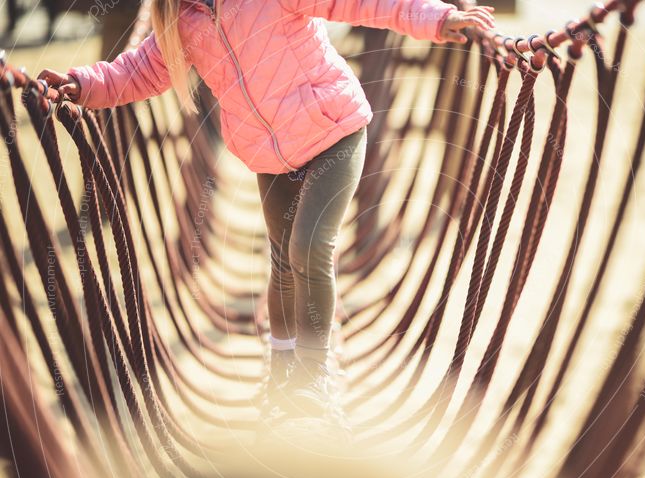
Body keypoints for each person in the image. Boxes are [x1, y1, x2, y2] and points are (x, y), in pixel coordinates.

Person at [37, 0, 495, 429]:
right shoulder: (183, 17)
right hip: (270, 156)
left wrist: (437, 18)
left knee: (308, 246)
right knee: (282, 264)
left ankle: (315, 378)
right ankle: (281, 371)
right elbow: (141, 69)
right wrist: (83, 86)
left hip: (335, 131)